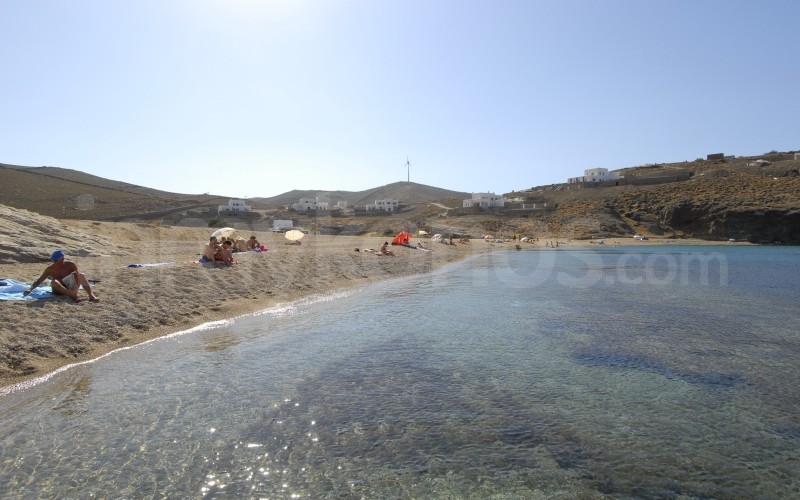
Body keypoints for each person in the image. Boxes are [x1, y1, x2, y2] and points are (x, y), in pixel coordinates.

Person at [23, 250, 99, 302]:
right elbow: (39, 280)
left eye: (55, 260)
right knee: (53, 282)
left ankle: (91, 296)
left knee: (81, 275)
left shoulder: (70, 264)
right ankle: (73, 296)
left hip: (70, 287)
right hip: (58, 290)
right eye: (52, 260)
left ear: (62, 259)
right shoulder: (50, 269)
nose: (53, 262)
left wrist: (74, 274)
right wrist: (30, 289)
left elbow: (77, 275)